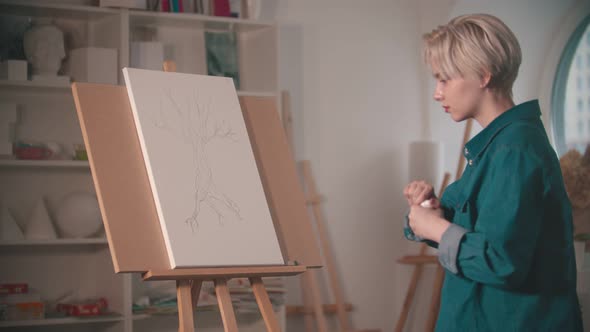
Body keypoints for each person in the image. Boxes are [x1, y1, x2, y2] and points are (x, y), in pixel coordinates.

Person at [403, 13, 583, 331]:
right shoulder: (499, 148)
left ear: (483, 76)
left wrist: (435, 229)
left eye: (444, 79)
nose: (437, 93)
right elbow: (485, 234)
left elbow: (502, 262)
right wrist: (435, 212)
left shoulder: (515, 151)